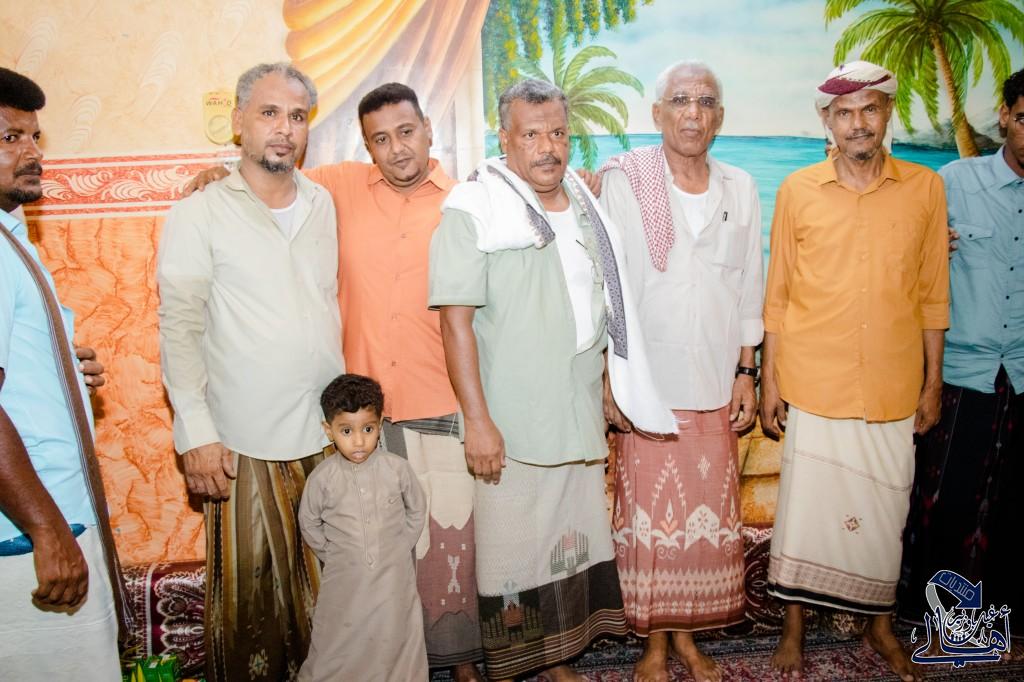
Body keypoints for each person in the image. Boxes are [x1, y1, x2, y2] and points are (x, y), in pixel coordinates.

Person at [187, 82, 484, 680]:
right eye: (381, 139)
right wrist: (217, 174)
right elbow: (268, 175)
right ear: (366, 146)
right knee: (377, 553)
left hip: (439, 398)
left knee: (449, 540)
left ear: (429, 129)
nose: (397, 149)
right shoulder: (337, 187)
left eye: (407, 132)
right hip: (362, 418)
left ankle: (460, 661)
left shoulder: (466, 202)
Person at [430, 78, 673, 682]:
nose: (548, 147)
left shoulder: (587, 206)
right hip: (510, 419)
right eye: (532, 134)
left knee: (568, 542)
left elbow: (606, 309)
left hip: (576, 408)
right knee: (514, 552)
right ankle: (518, 662)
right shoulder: (474, 208)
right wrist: (478, 422)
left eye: (558, 133)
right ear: (504, 138)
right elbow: (455, 324)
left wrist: (613, 384)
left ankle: (558, 657)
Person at [759, 61, 949, 682]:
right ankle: (793, 628)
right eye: (844, 113)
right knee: (804, 515)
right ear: (827, 120)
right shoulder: (797, 190)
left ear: (887, 113)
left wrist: (932, 383)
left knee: (885, 516)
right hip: (814, 380)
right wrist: (769, 379)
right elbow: (778, 293)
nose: (858, 123)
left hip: (892, 385)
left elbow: (933, 294)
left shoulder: (925, 188)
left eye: (869, 109)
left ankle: (880, 626)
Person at [158, 62, 345, 682]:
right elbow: (179, 327)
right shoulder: (200, 212)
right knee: (251, 605)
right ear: (238, 121)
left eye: (297, 117)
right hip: (241, 440)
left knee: (332, 594)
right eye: (269, 113)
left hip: (326, 436)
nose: (284, 129)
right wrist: (196, 432)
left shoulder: (322, 204)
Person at [597, 60, 763, 682]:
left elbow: (749, 287)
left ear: (720, 117)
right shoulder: (626, 181)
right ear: (657, 113)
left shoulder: (741, 188)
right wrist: (611, 380)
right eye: (680, 100)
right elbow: (610, 286)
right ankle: (654, 646)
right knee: (650, 523)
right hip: (648, 386)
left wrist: (747, 371)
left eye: (705, 101)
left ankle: (688, 641)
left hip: (715, 382)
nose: (693, 112)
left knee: (699, 521)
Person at [0, 67, 121, 678]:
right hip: (26, 533)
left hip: (48, 516)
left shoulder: (11, 237)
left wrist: (65, 374)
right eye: (9, 138)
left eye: (34, 137)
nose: (32, 153)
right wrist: (46, 528)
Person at [898, 68, 1024, 642]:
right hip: (963, 373)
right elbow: (905, 260)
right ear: (1004, 116)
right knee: (941, 502)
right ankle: (928, 618)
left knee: (1012, 506)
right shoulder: (953, 181)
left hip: (1022, 374)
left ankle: (999, 622)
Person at [298, 373, 428, 682]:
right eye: (347, 431)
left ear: (380, 424)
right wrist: (333, 554)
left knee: (396, 632)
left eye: (367, 429)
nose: (358, 441)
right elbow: (309, 521)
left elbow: (417, 508)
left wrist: (401, 545)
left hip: (393, 578)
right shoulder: (323, 478)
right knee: (338, 637)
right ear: (328, 430)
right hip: (344, 580)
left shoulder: (397, 469)